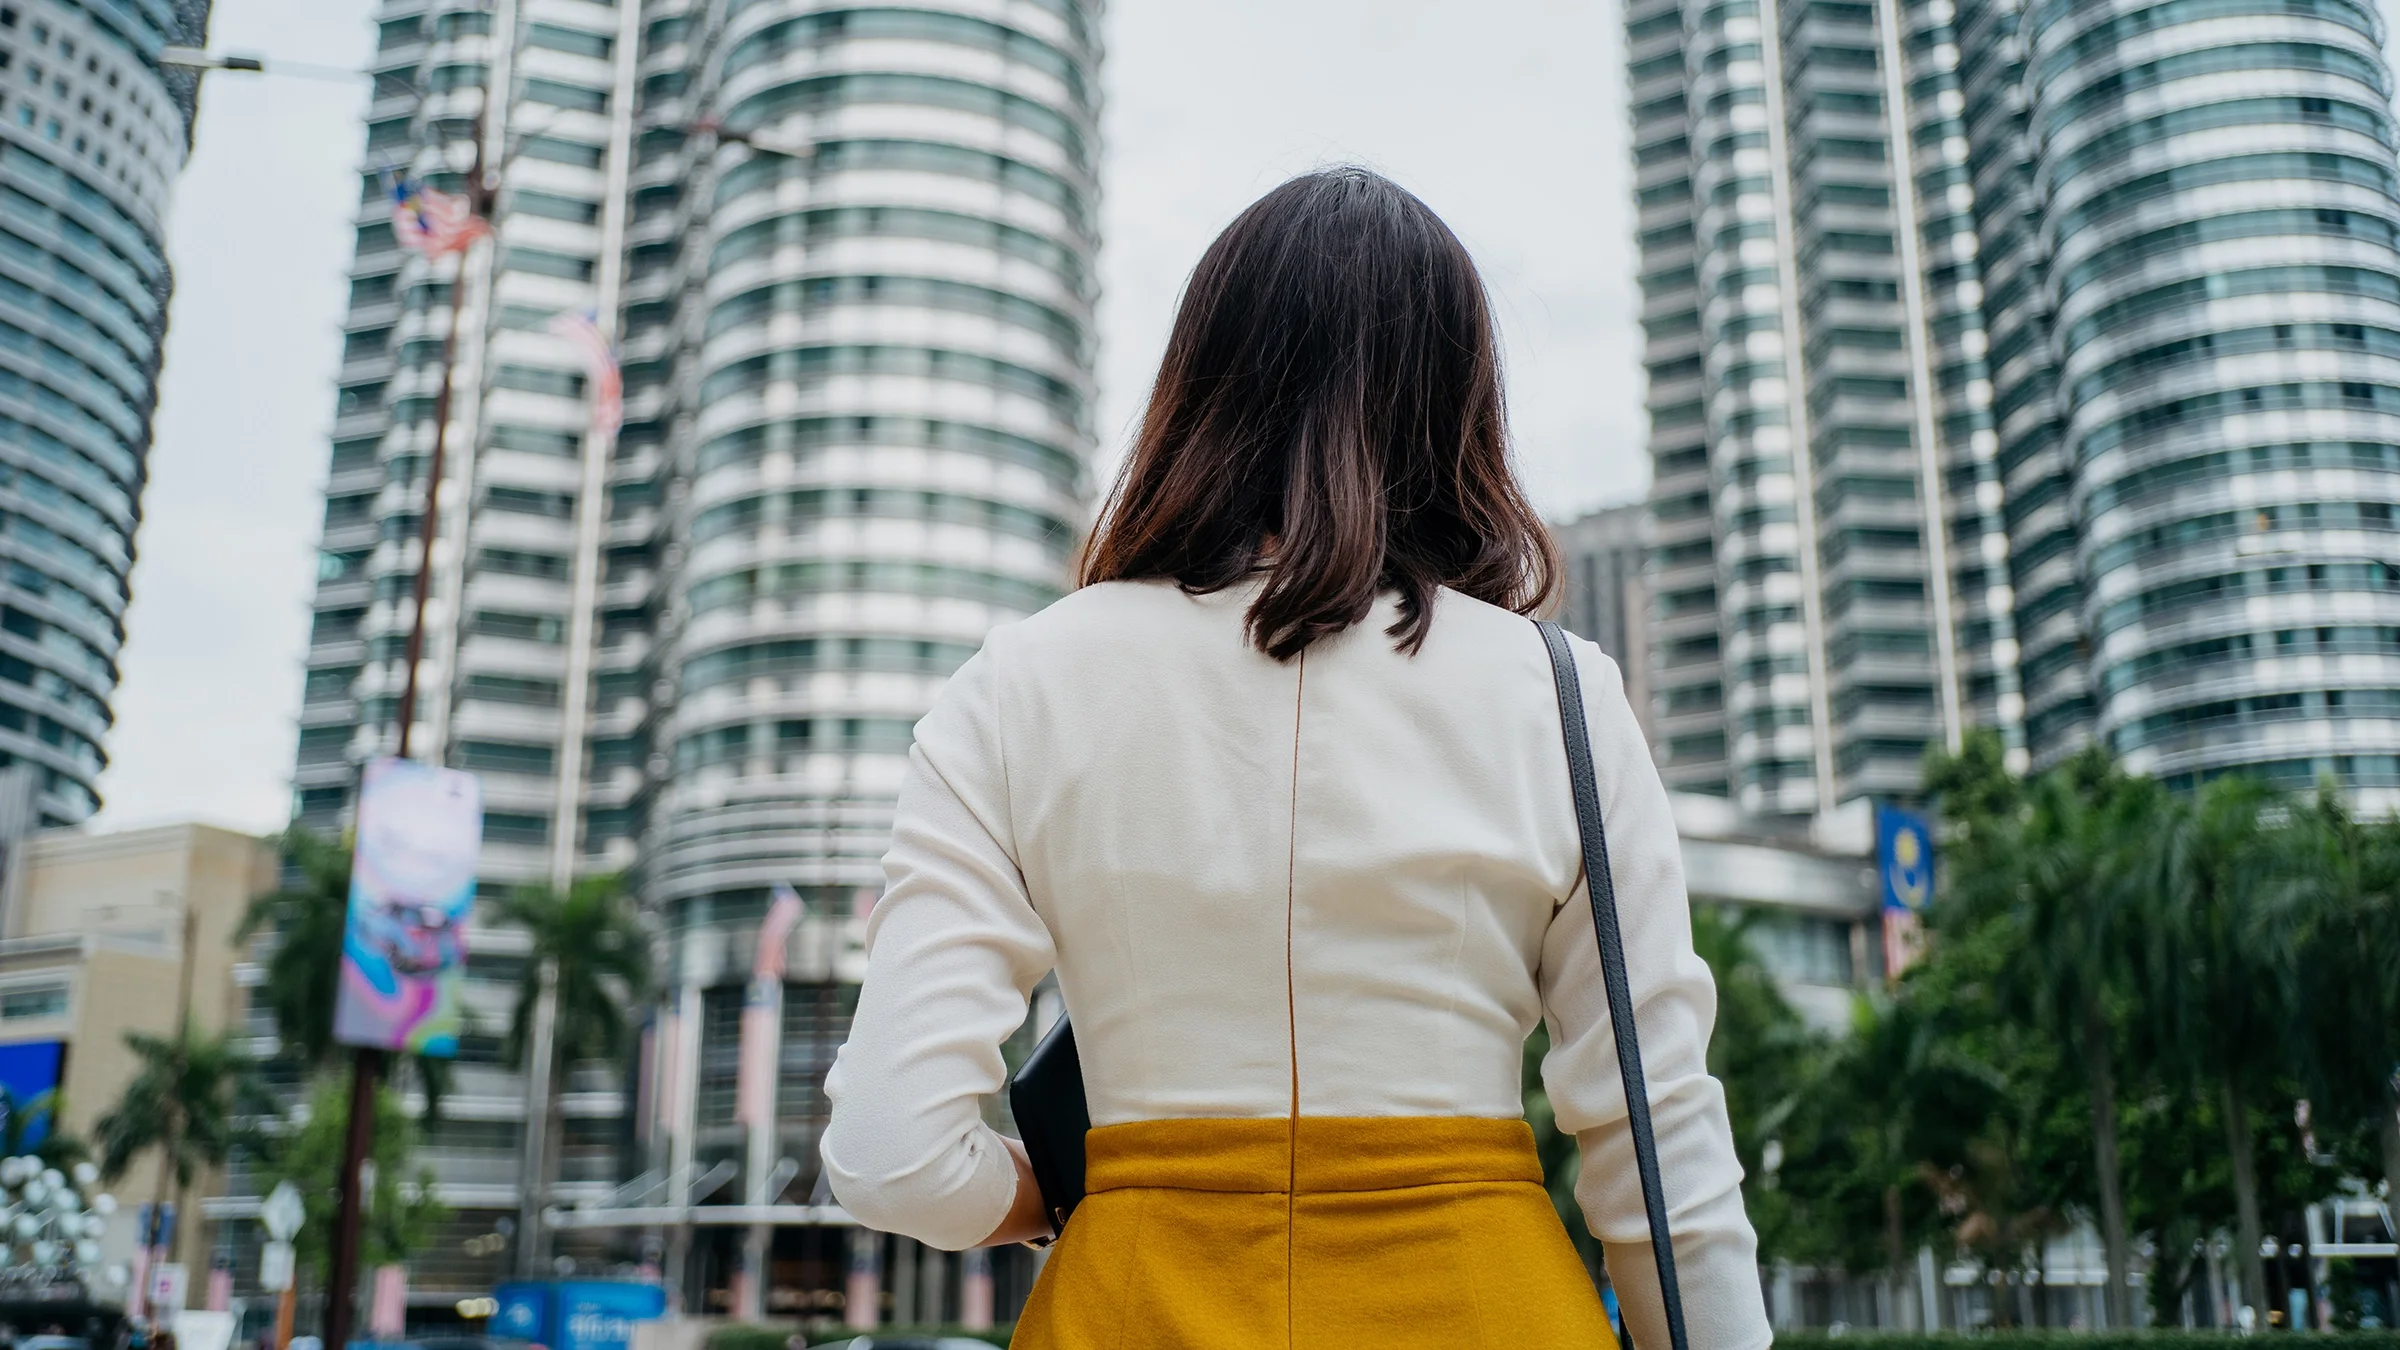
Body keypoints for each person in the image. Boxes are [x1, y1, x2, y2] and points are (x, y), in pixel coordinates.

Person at [823, 167, 1772, 1348]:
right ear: (1457, 402)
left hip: (1131, 1299)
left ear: (1198, 384)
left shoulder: (1018, 684)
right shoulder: (1564, 693)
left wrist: (1038, 1197)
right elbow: (1660, 1135)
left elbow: (887, 1151)